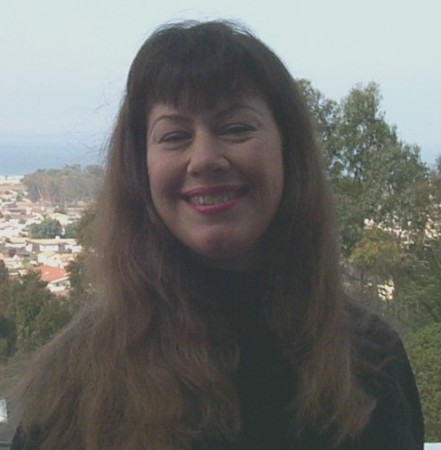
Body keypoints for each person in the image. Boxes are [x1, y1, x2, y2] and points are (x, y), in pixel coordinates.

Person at [9, 20, 424, 450]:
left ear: (288, 151)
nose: (204, 158)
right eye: (174, 136)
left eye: (237, 128)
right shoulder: (77, 380)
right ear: (140, 169)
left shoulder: (369, 360)